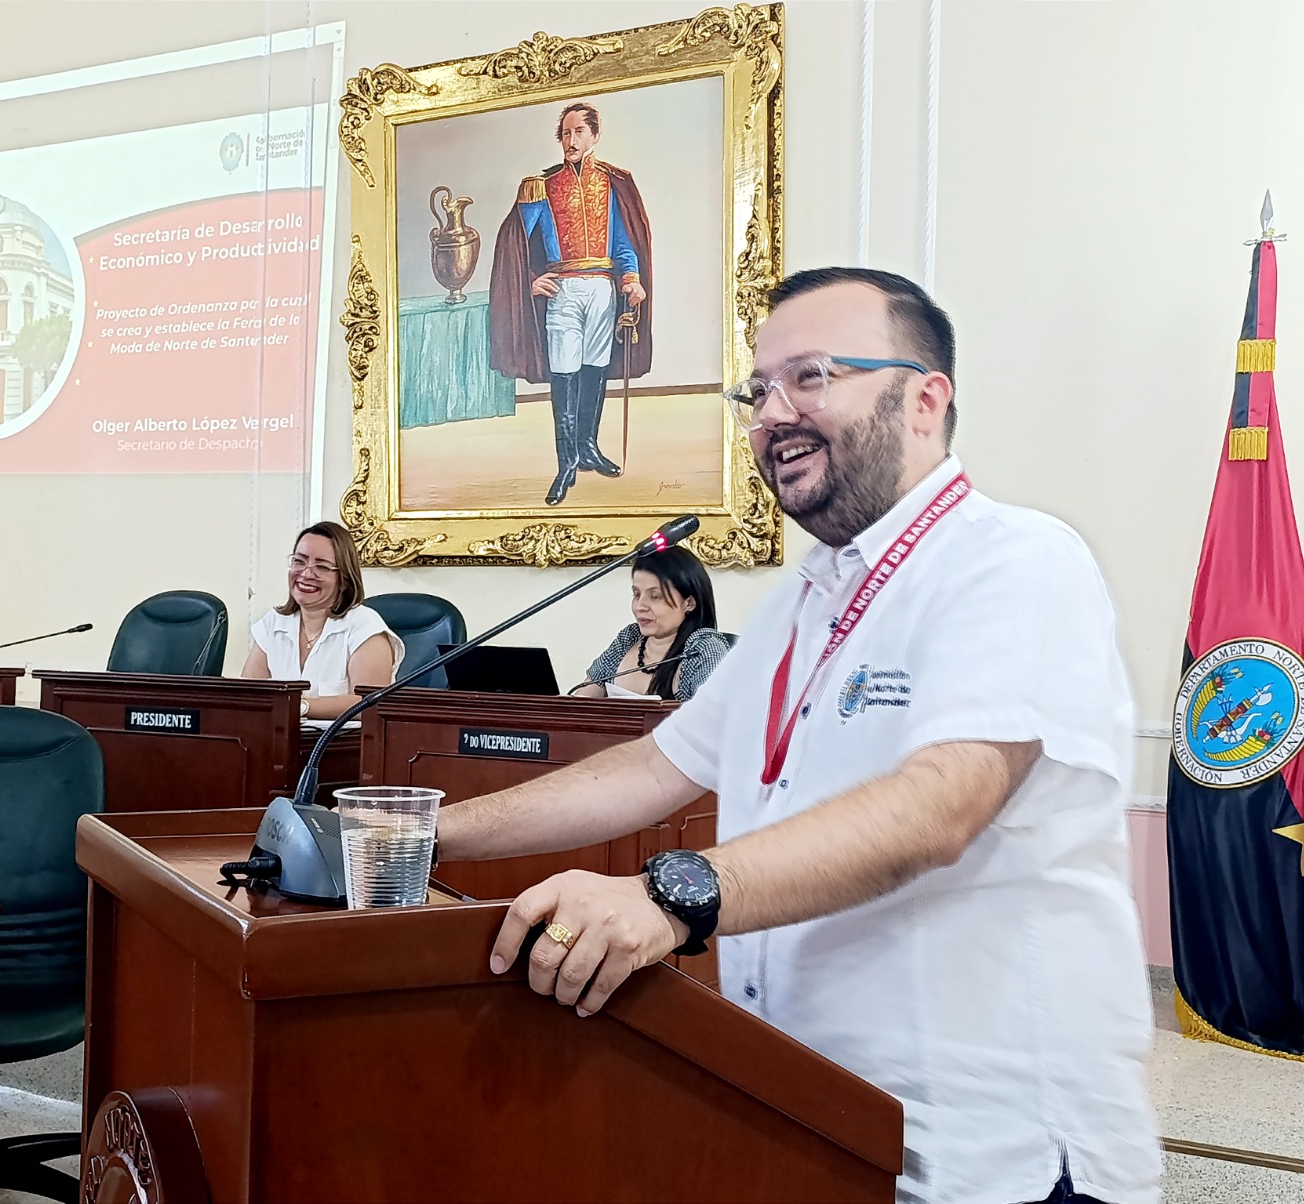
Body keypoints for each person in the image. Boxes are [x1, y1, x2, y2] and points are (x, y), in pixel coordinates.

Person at [436, 268, 1160, 1204]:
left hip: (995, 1154)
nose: (774, 412)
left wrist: (673, 896)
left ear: (925, 400)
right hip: (819, 1122)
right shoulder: (803, 603)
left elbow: (940, 806)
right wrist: (425, 836)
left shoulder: (1015, 562)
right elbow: (656, 765)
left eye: (812, 376)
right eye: (759, 390)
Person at [488, 100, 654, 506]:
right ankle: (566, 462)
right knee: (564, 371)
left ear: (594, 135)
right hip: (563, 290)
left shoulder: (615, 185)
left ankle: (588, 448)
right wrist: (529, 280)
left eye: (579, 131)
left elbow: (622, 245)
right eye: (565, 133)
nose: (571, 139)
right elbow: (516, 246)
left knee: (595, 368)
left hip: (603, 290)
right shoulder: (540, 187)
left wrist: (631, 279)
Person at [241, 521, 404, 719]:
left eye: (322, 566)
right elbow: (248, 696)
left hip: (343, 746)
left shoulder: (365, 627)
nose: (306, 573)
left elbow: (370, 703)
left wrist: (300, 706)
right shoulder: (273, 623)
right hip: (276, 742)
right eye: (299, 561)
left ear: (344, 578)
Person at [571, 546, 728, 702]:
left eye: (655, 596)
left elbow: (712, 720)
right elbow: (580, 702)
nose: (640, 606)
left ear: (689, 603)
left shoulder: (703, 650)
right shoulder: (629, 638)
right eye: (636, 594)